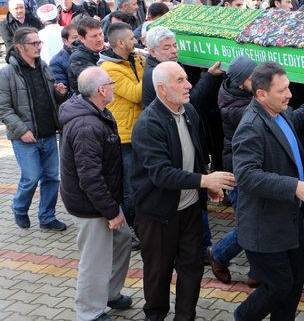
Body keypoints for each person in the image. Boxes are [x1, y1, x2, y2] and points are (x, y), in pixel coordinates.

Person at [132, 61, 235, 320]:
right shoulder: (148, 124)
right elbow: (161, 174)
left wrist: (207, 185)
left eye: (186, 79)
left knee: (192, 268)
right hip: (159, 216)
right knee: (159, 273)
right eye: (180, 80)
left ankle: (185, 316)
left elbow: (198, 155)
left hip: (190, 211)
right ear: (162, 90)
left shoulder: (189, 112)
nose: (189, 84)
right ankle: (155, 316)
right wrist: (204, 180)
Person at [232, 62, 304, 320]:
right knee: (278, 286)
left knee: (293, 284)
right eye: (282, 90)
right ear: (261, 94)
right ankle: (243, 316)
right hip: (265, 228)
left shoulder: (281, 113)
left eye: (288, 87)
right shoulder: (251, 125)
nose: (289, 94)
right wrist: (294, 186)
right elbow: (247, 175)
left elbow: (299, 115)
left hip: (287, 222)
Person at [59, 66, 132, 321]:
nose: (114, 87)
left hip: (102, 199)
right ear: (102, 90)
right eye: (111, 83)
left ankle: (109, 293)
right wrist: (111, 212)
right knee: (95, 258)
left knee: (122, 239)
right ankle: (89, 312)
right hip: (91, 205)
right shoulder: (87, 126)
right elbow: (89, 177)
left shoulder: (97, 112)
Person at [0, 27, 67, 231]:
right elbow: (3, 108)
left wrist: (59, 94)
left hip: (47, 133)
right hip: (24, 137)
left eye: (40, 43)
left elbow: (51, 99)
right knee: (31, 177)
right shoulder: (7, 73)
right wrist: (21, 131)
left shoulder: (44, 66)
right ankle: (19, 207)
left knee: (52, 178)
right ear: (20, 46)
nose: (39, 47)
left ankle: (47, 217)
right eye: (34, 43)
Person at [208, 56, 258, 286]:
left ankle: (257, 272)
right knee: (249, 224)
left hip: (249, 166)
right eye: (252, 77)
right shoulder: (236, 108)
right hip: (238, 171)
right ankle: (218, 254)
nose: (258, 80)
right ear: (240, 83)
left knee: (257, 220)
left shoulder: (236, 91)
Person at [98, 22, 146, 229]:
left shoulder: (134, 59)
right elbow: (137, 94)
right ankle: (131, 228)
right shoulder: (109, 68)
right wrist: (153, 66)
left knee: (142, 182)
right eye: (131, 39)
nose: (135, 42)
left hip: (140, 130)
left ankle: (141, 223)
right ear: (120, 42)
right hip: (125, 136)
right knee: (130, 187)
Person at [68, 18, 104, 94]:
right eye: (94, 36)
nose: (99, 39)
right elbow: (98, 83)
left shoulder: (106, 50)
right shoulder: (77, 59)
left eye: (100, 34)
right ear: (82, 38)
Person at [50, 24, 78, 89]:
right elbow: (63, 91)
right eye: (75, 37)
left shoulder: (88, 52)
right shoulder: (56, 62)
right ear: (65, 41)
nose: (79, 40)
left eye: (81, 36)